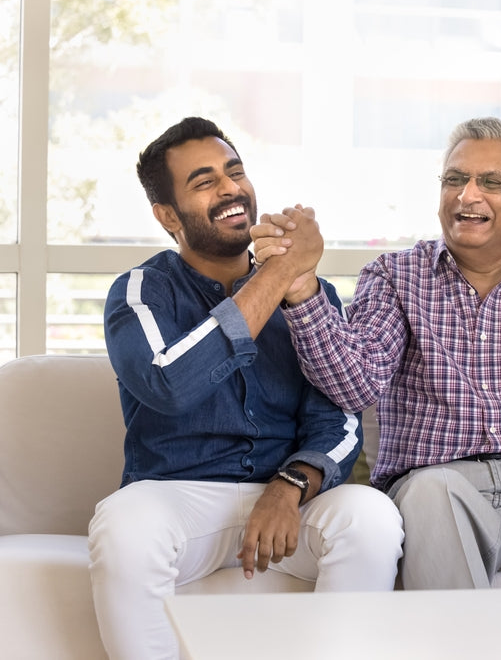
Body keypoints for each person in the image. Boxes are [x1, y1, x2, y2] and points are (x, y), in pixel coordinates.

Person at [251, 116, 501, 589]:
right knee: (432, 490)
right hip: (439, 485)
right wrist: (303, 290)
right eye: (455, 179)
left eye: (491, 182)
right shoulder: (395, 276)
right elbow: (356, 384)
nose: (467, 195)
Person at [89, 117, 404, 660]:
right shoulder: (142, 290)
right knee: (122, 526)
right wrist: (274, 277)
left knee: (370, 518)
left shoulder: (311, 293)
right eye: (204, 181)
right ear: (167, 216)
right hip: (176, 499)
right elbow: (167, 383)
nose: (231, 188)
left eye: (235, 172)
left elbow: (341, 416)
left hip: (286, 501)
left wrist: (289, 486)